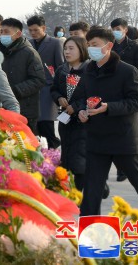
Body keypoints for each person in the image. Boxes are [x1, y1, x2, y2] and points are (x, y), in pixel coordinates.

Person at [76, 26, 138, 230]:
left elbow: (137, 101)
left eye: (95, 45)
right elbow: (81, 98)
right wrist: (81, 111)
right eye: (89, 45)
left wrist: (109, 108)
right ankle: (88, 223)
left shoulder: (126, 71)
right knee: (92, 184)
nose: (91, 49)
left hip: (123, 137)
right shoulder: (88, 70)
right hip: (97, 136)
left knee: (137, 179)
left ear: (109, 46)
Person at [110, 17, 138, 181]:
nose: (116, 31)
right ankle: (121, 169)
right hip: (114, 93)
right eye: (113, 28)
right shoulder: (110, 46)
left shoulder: (135, 47)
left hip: (132, 92)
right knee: (116, 130)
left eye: (118, 28)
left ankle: (135, 164)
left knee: (132, 129)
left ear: (126, 29)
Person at [51, 36, 92, 192]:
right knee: (67, 156)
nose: (67, 52)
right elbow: (53, 89)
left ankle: (81, 194)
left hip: (82, 122)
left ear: (82, 49)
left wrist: (76, 106)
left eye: (71, 48)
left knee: (80, 158)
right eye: (65, 48)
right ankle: (71, 191)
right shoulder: (62, 70)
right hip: (65, 120)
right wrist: (59, 98)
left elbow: (92, 94)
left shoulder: (89, 70)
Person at [0, 17, 46, 135]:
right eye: (1, 31)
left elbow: (38, 79)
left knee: (25, 148)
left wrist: (14, 91)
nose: (3, 35)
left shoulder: (29, 53)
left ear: (18, 33)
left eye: (6, 32)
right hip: (3, 108)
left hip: (25, 109)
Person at [27, 15, 65, 149]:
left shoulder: (55, 43)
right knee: (34, 127)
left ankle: (53, 150)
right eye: (30, 30)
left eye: (36, 30)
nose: (33, 33)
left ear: (43, 28)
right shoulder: (28, 43)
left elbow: (61, 66)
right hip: (31, 91)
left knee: (46, 125)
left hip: (48, 89)